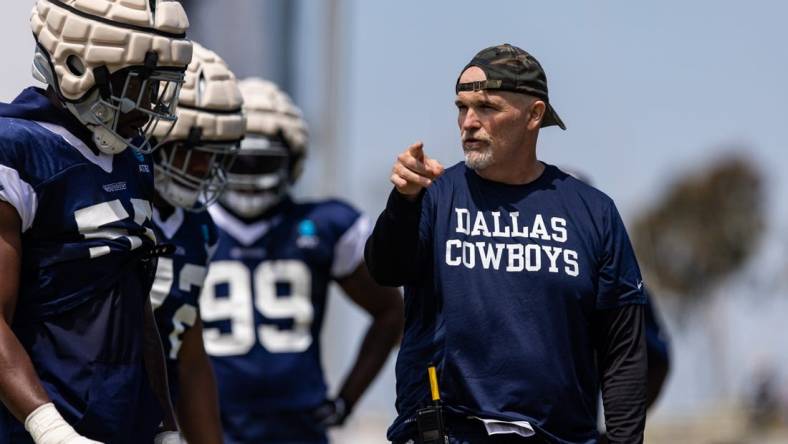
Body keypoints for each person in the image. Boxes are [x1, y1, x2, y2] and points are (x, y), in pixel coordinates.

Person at [365, 44, 648, 443]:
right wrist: (403, 202)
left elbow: (623, 352)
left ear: (534, 114)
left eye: (487, 107)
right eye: (462, 108)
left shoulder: (593, 212)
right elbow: (385, 269)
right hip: (448, 434)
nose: (468, 123)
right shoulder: (433, 196)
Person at [0, 1, 192, 442]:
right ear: (77, 66)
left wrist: (165, 423)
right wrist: (49, 428)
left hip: (121, 424)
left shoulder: (131, 163)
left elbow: (133, 306)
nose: (149, 110)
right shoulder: (15, 149)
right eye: (140, 88)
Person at [199, 78, 405, 444]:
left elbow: (391, 313)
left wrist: (346, 401)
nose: (248, 176)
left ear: (291, 160)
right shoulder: (188, 225)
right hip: (209, 424)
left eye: (261, 162)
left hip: (298, 430)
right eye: (238, 161)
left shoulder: (324, 225)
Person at [149, 42, 245, 444]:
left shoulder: (200, 227)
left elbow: (188, 350)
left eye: (214, 153)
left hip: (150, 415)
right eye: (192, 150)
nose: (205, 167)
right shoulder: (116, 197)